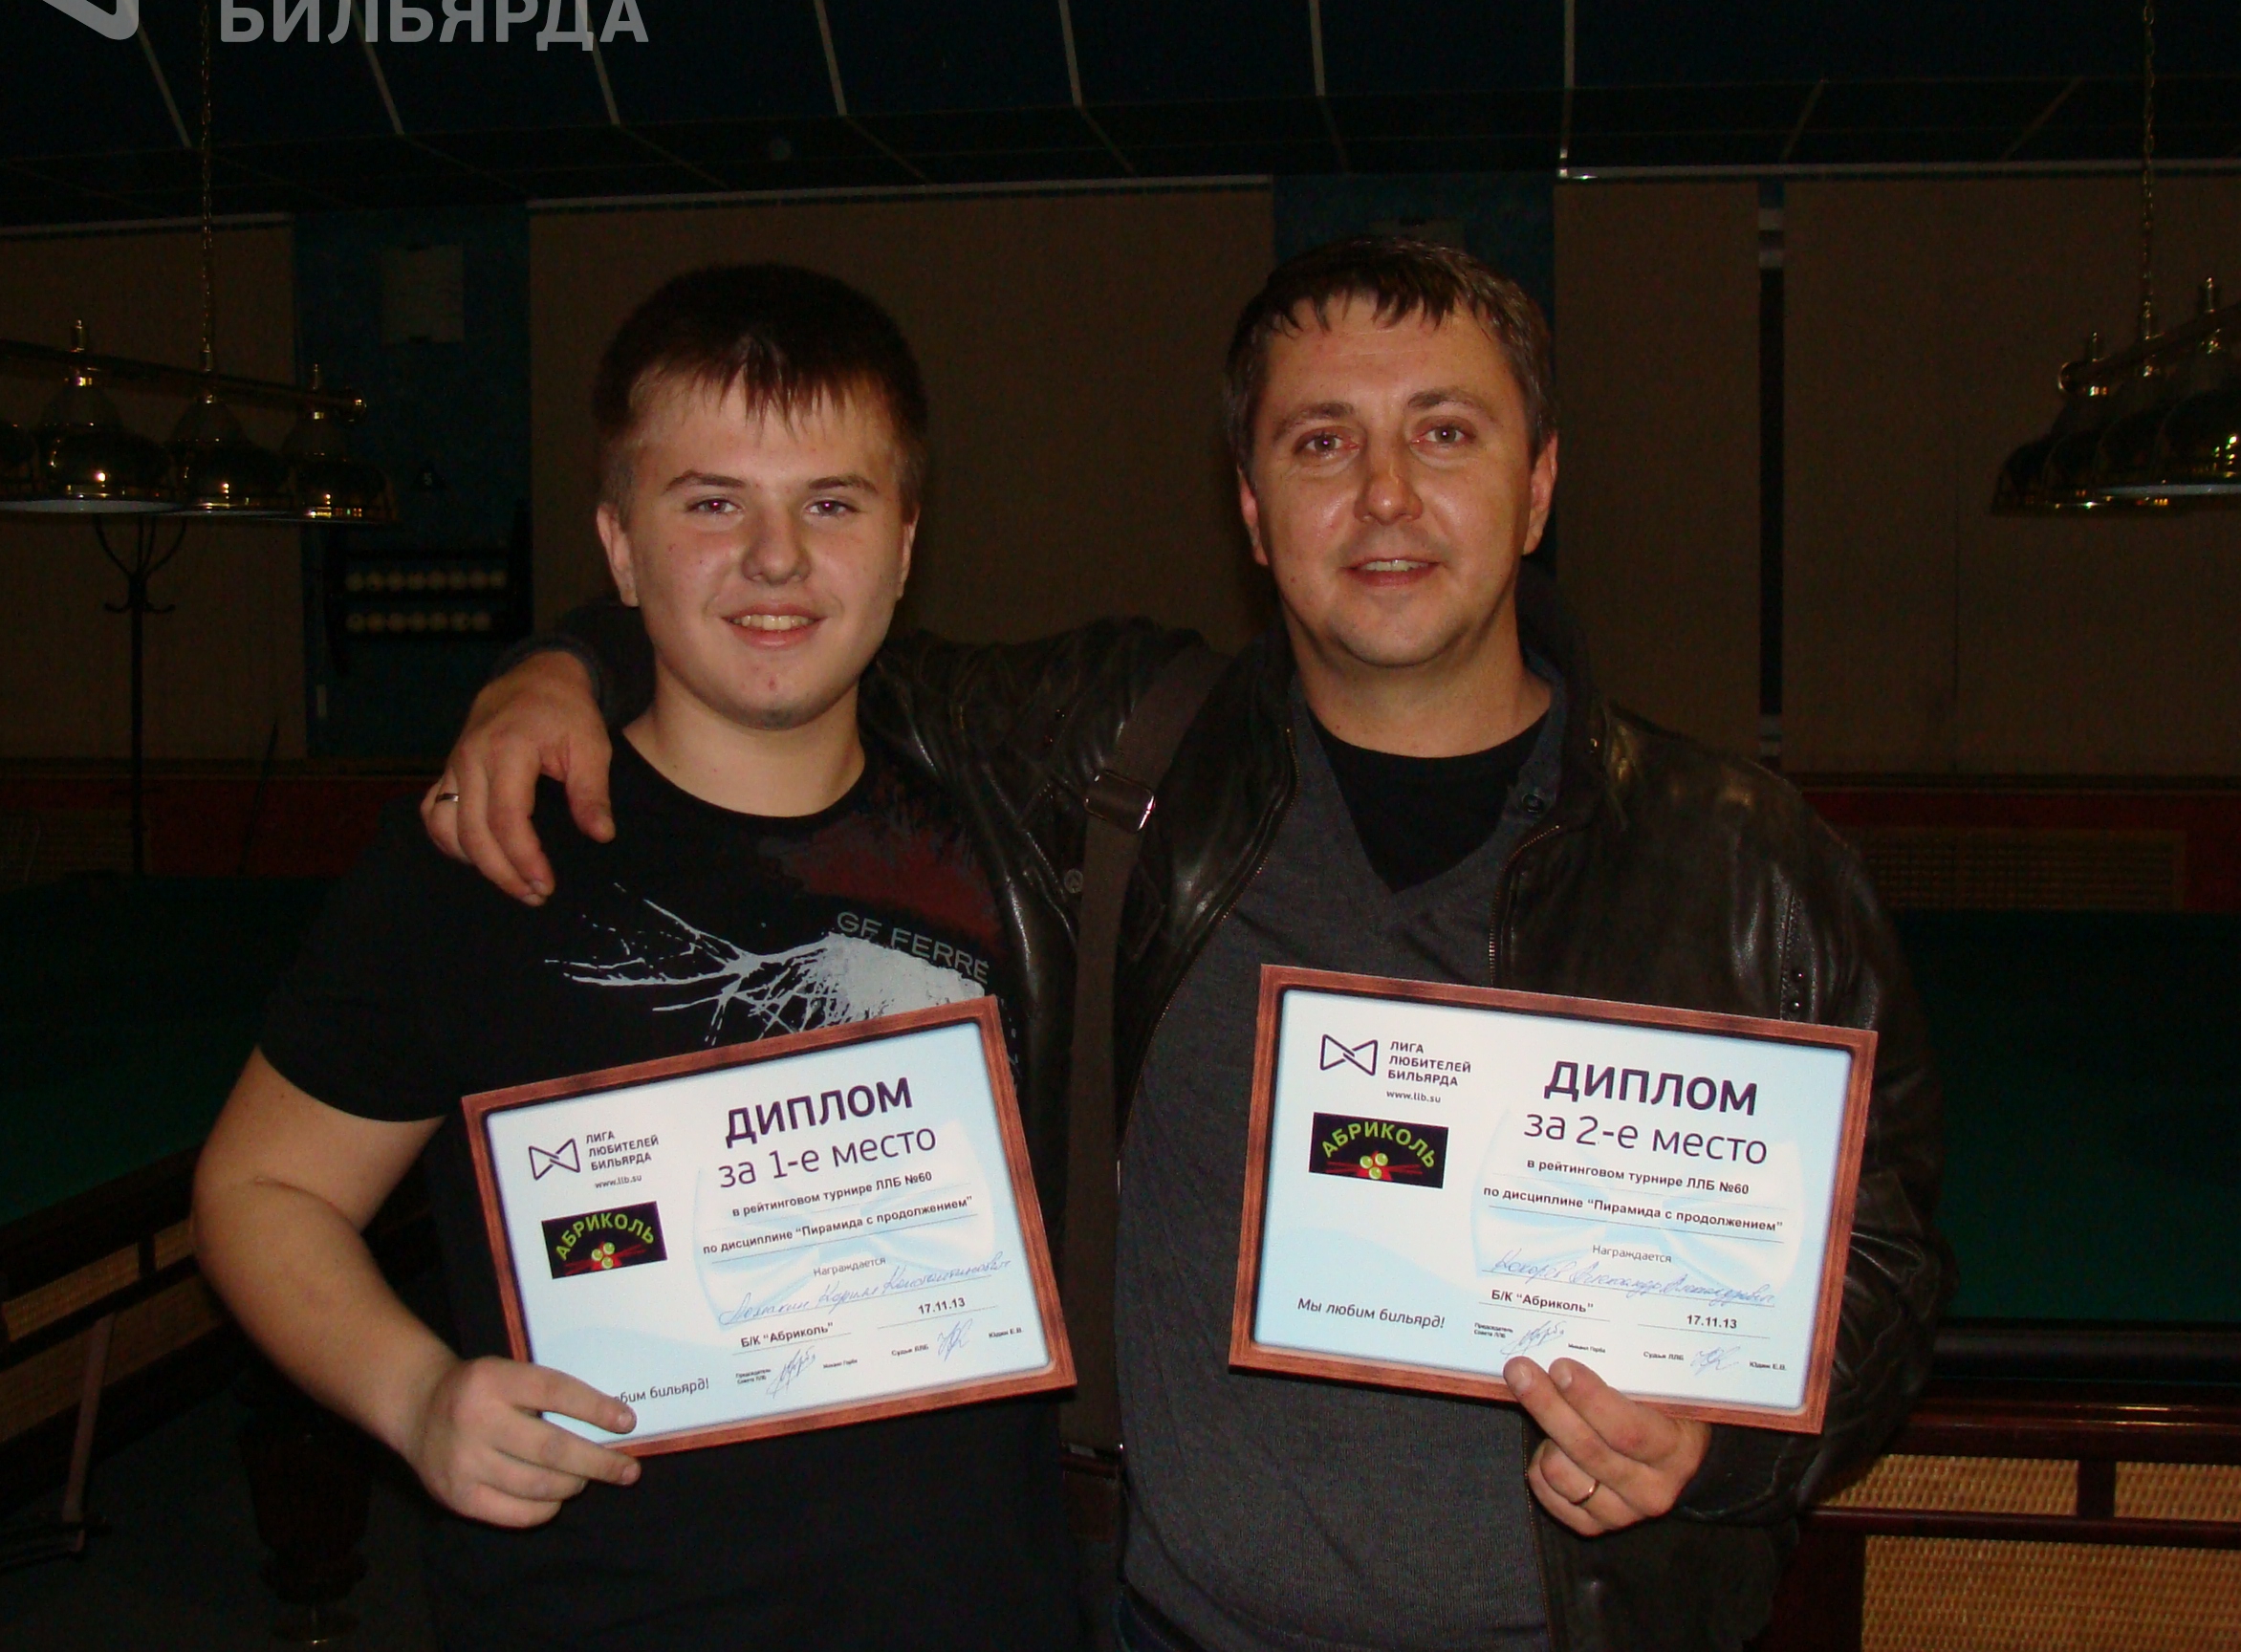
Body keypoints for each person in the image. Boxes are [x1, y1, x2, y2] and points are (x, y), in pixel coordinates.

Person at [424, 237, 1952, 1652]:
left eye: (1445, 433)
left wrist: (1722, 1445)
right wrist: (564, 663)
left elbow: (1882, 1268)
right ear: (1251, 507)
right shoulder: (1114, 753)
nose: (1386, 498)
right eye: (1320, 444)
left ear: (1539, 485)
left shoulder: (1739, 859)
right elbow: (788, 615)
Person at [192, 264, 1081, 1652]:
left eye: (832, 504)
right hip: (595, 1612)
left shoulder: (1017, 844)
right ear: (618, 548)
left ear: (906, 543)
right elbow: (262, 1186)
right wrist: (416, 1399)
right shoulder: (485, 849)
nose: (775, 559)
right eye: (711, 503)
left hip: (976, 1608)